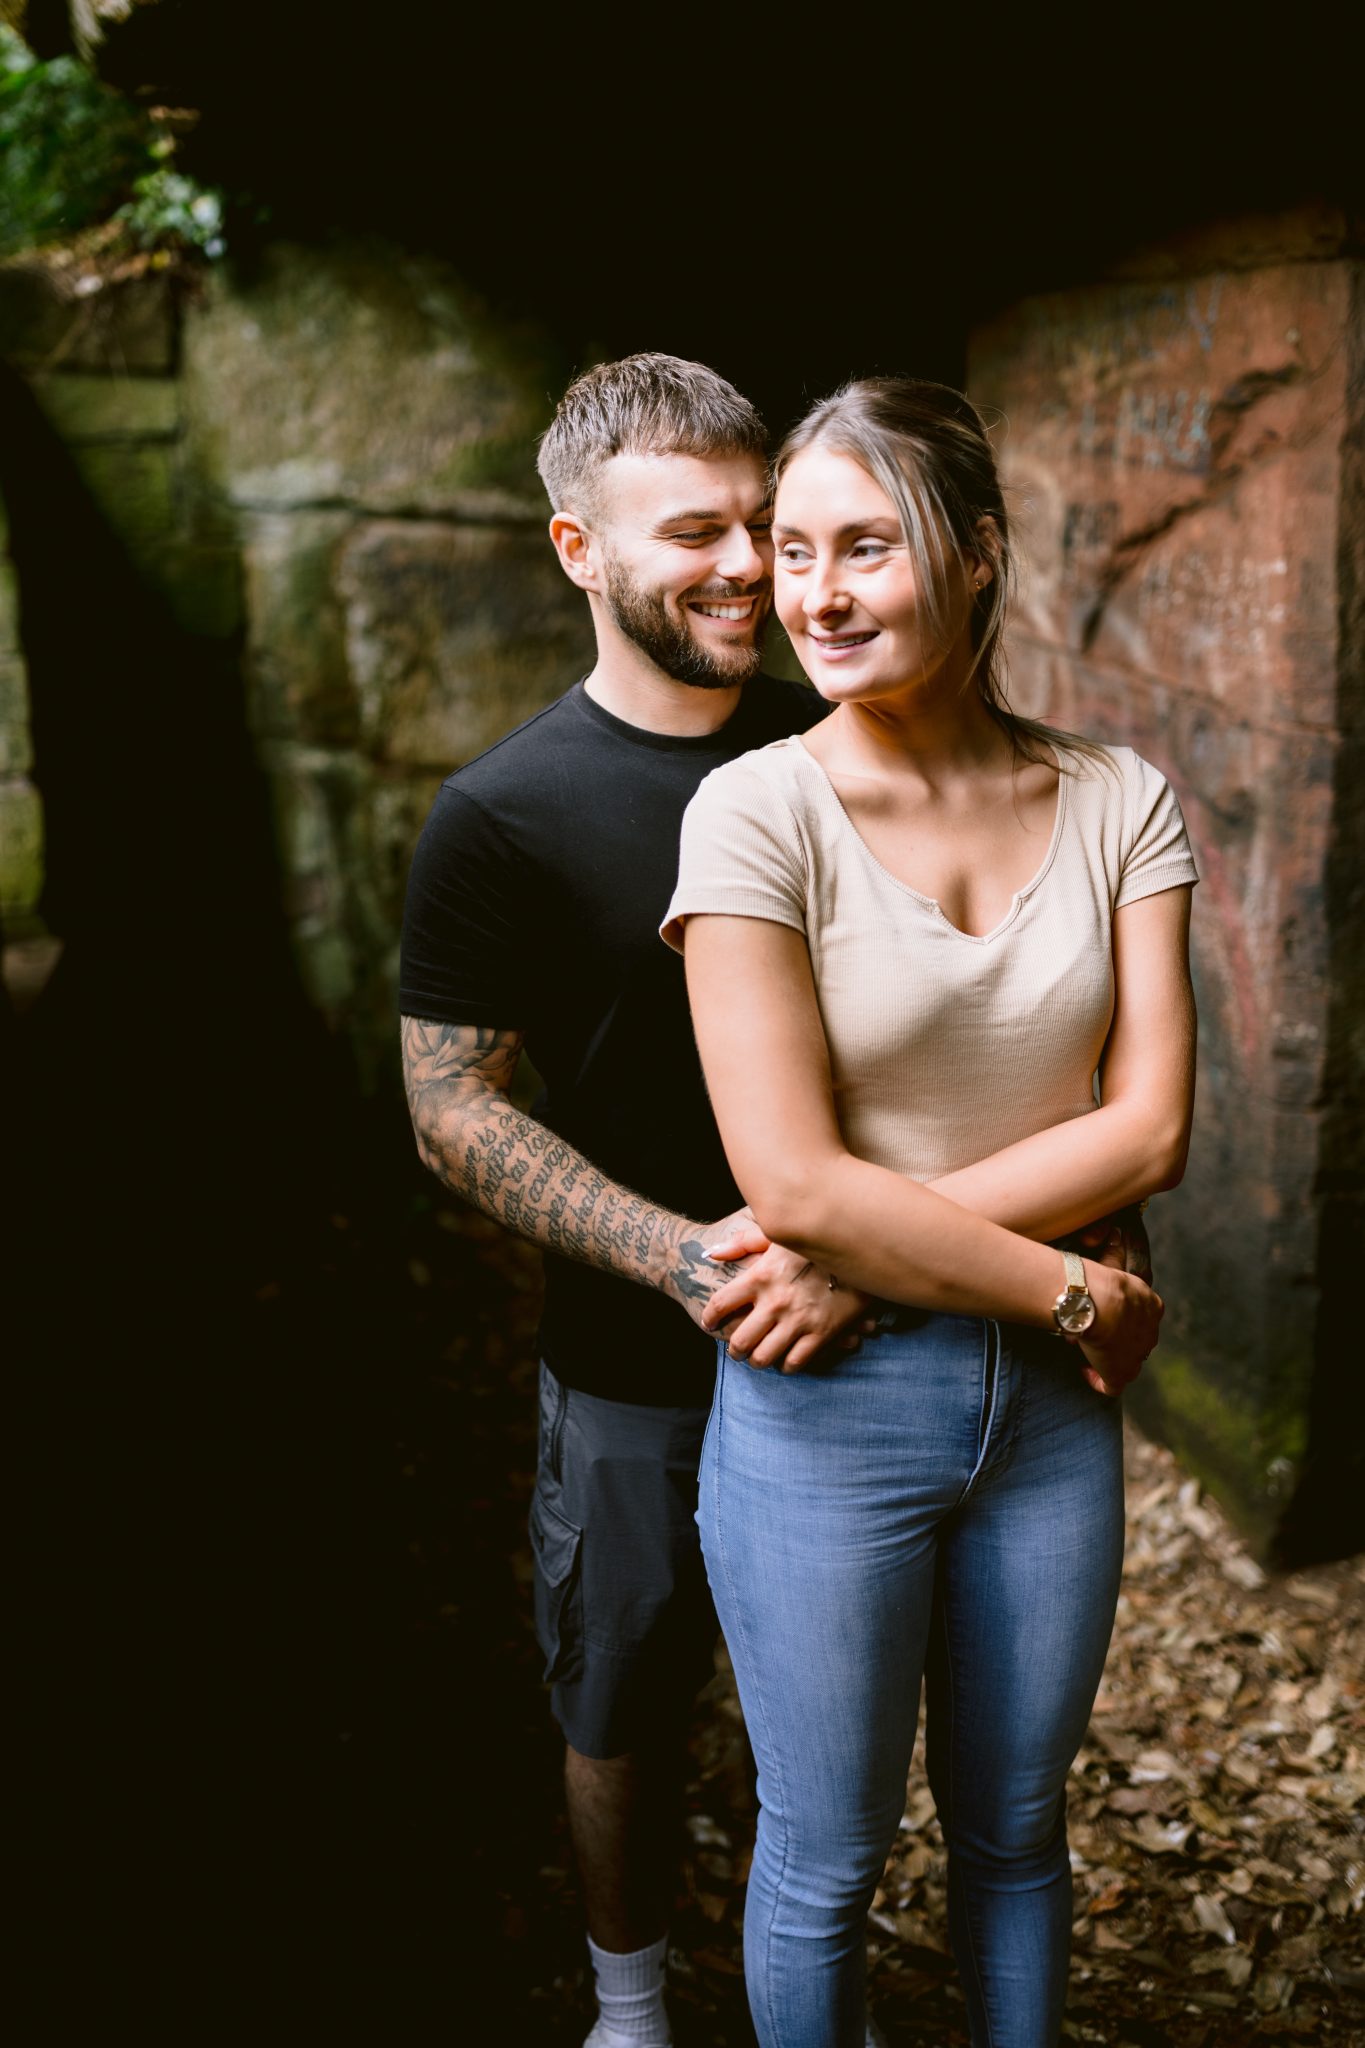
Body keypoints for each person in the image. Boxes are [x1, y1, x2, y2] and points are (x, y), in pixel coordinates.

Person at [663, 378, 1198, 2047]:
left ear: (972, 558)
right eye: (790, 552)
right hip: (827, 1422)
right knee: (826, 1861)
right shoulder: (756, 812)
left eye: (863, 546)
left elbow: (1152, 1127)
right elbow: (788, 1181)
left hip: (1044, 1421)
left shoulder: (1123, 799)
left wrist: (878, 1264)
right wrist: (1060, 1288)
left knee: (1017, 1841)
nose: (811, 593)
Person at [399, 354, 876, 2048]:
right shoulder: (502, 814)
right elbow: (450, 1102)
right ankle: (627, 2007)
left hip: (871, 1321)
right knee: (620, 1692)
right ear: (576, 548)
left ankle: (821, 1986)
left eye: (762, 522)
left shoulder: (844, 748)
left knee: (851, 1716)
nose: (750, 565)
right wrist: (678, 1257)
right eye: (697, 532)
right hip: (635, 1349)